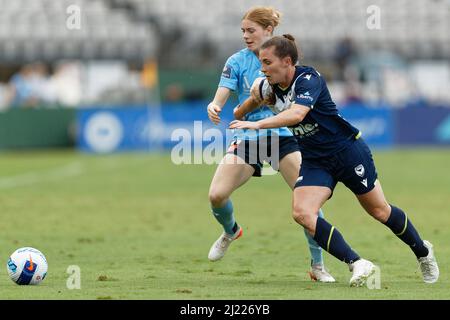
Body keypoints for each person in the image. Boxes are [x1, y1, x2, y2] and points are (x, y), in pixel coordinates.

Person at [230, 35, 439, 286]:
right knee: (302, 213)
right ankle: (358, 263)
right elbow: (239, 112)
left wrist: (258, 123)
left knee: (379, 210)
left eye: (267, 62)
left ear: (287, 61)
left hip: (347, 151)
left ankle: (423, 252)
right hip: (315, 160)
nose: (262, 68)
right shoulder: (269, 85)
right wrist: (253, 99)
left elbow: (297, 114)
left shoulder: (309, 79)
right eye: (260, 63)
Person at [206, 7, 335, 282]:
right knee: (217, 195)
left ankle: (318, 265)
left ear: (268, 31)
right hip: (249, 137)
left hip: (285, 137)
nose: (245, 36)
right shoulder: (237, 61)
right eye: (243, 31)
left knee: (307, 202)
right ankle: (231, 231)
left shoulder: (285, 60)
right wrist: (215, 105)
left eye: (250, 30)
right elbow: (223, 93)